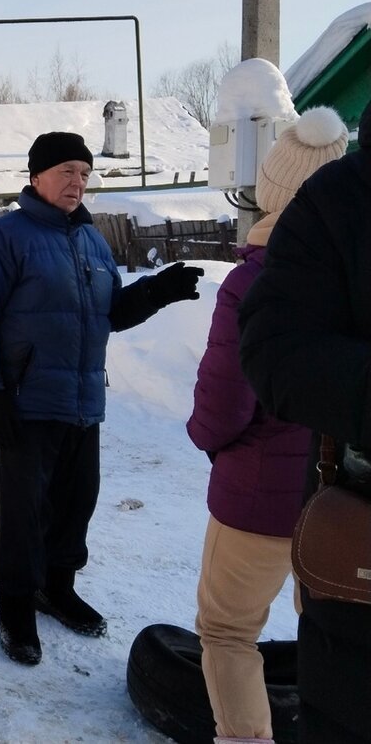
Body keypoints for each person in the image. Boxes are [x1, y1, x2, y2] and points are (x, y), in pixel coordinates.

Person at [0, 131, 204, 666]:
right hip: (25, 401)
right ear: (37, 176)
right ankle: (15, 604)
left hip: (84, 400)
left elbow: (109, 313)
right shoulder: (3, 239)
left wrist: (157, 290)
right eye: (67, 170)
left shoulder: (91, 240)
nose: (77, 182)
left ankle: (56, 588)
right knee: (21, 511)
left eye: (85, 174)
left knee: (75, 500)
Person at [187, 106, 348, 744]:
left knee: (227, 632)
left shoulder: (253, 283)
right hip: (346, 501)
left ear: (272, 190)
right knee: (336, 638)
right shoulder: (356, 275)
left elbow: (222, 408)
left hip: (260, 499)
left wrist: (207, 441)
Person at [239, 99, 371, 744]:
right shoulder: (343, 201)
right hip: (354, 556)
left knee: (233, 628)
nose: (80, 182)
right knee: (230, 626)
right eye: (68, 169)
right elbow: (260, 364)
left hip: (284, 497)